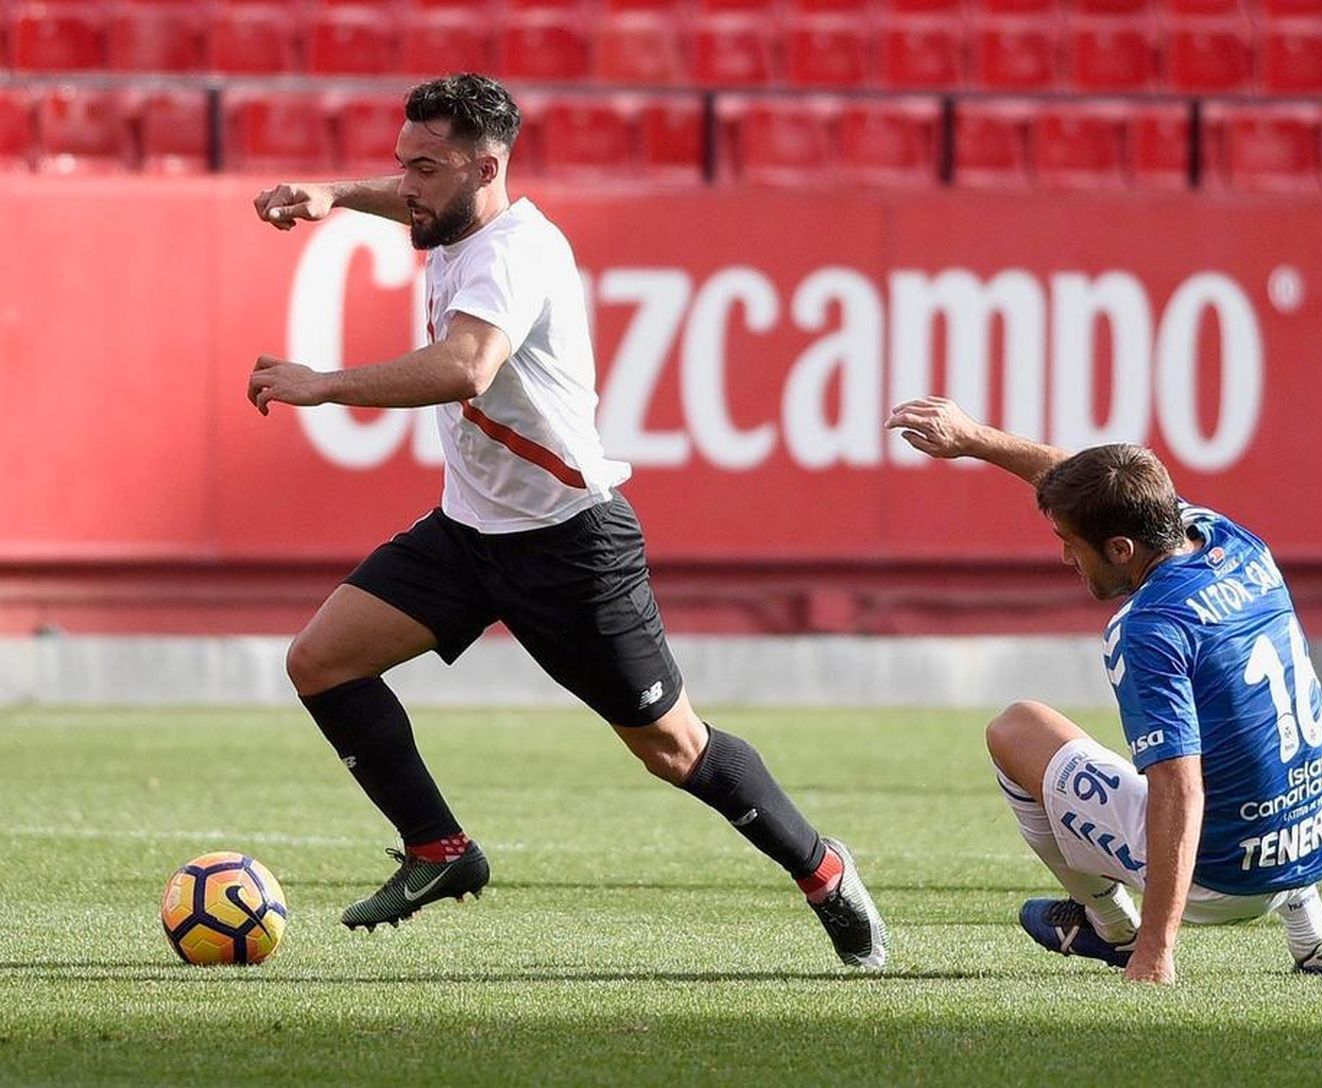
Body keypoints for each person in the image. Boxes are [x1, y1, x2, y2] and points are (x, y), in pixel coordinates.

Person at [246, 74, 886, 969]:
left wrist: (325, 383)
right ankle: (440, 850)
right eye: (403, 166)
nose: (408, 186)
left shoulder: (518, 252)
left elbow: (467, 367)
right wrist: (333, 193)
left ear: (488, 168)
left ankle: (822, 871)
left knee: (675, 750)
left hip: (568, 545)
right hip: (469, 534)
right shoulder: (449, 214)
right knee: (320, 663)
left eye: (425, 169)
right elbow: (407, 202)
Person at [885, 396, 1322, 984]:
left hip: (1225, 881)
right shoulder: (1229, 540)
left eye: (1070, 542)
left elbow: (1178, 788)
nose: (1064, 556)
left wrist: (1156, 952)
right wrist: (975, 439)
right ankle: (1315, 935)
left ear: (1120, 550)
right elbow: (1095, 490)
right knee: (1248, 735)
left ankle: (1110, 928)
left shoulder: (1150, 626)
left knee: (1016, 730)